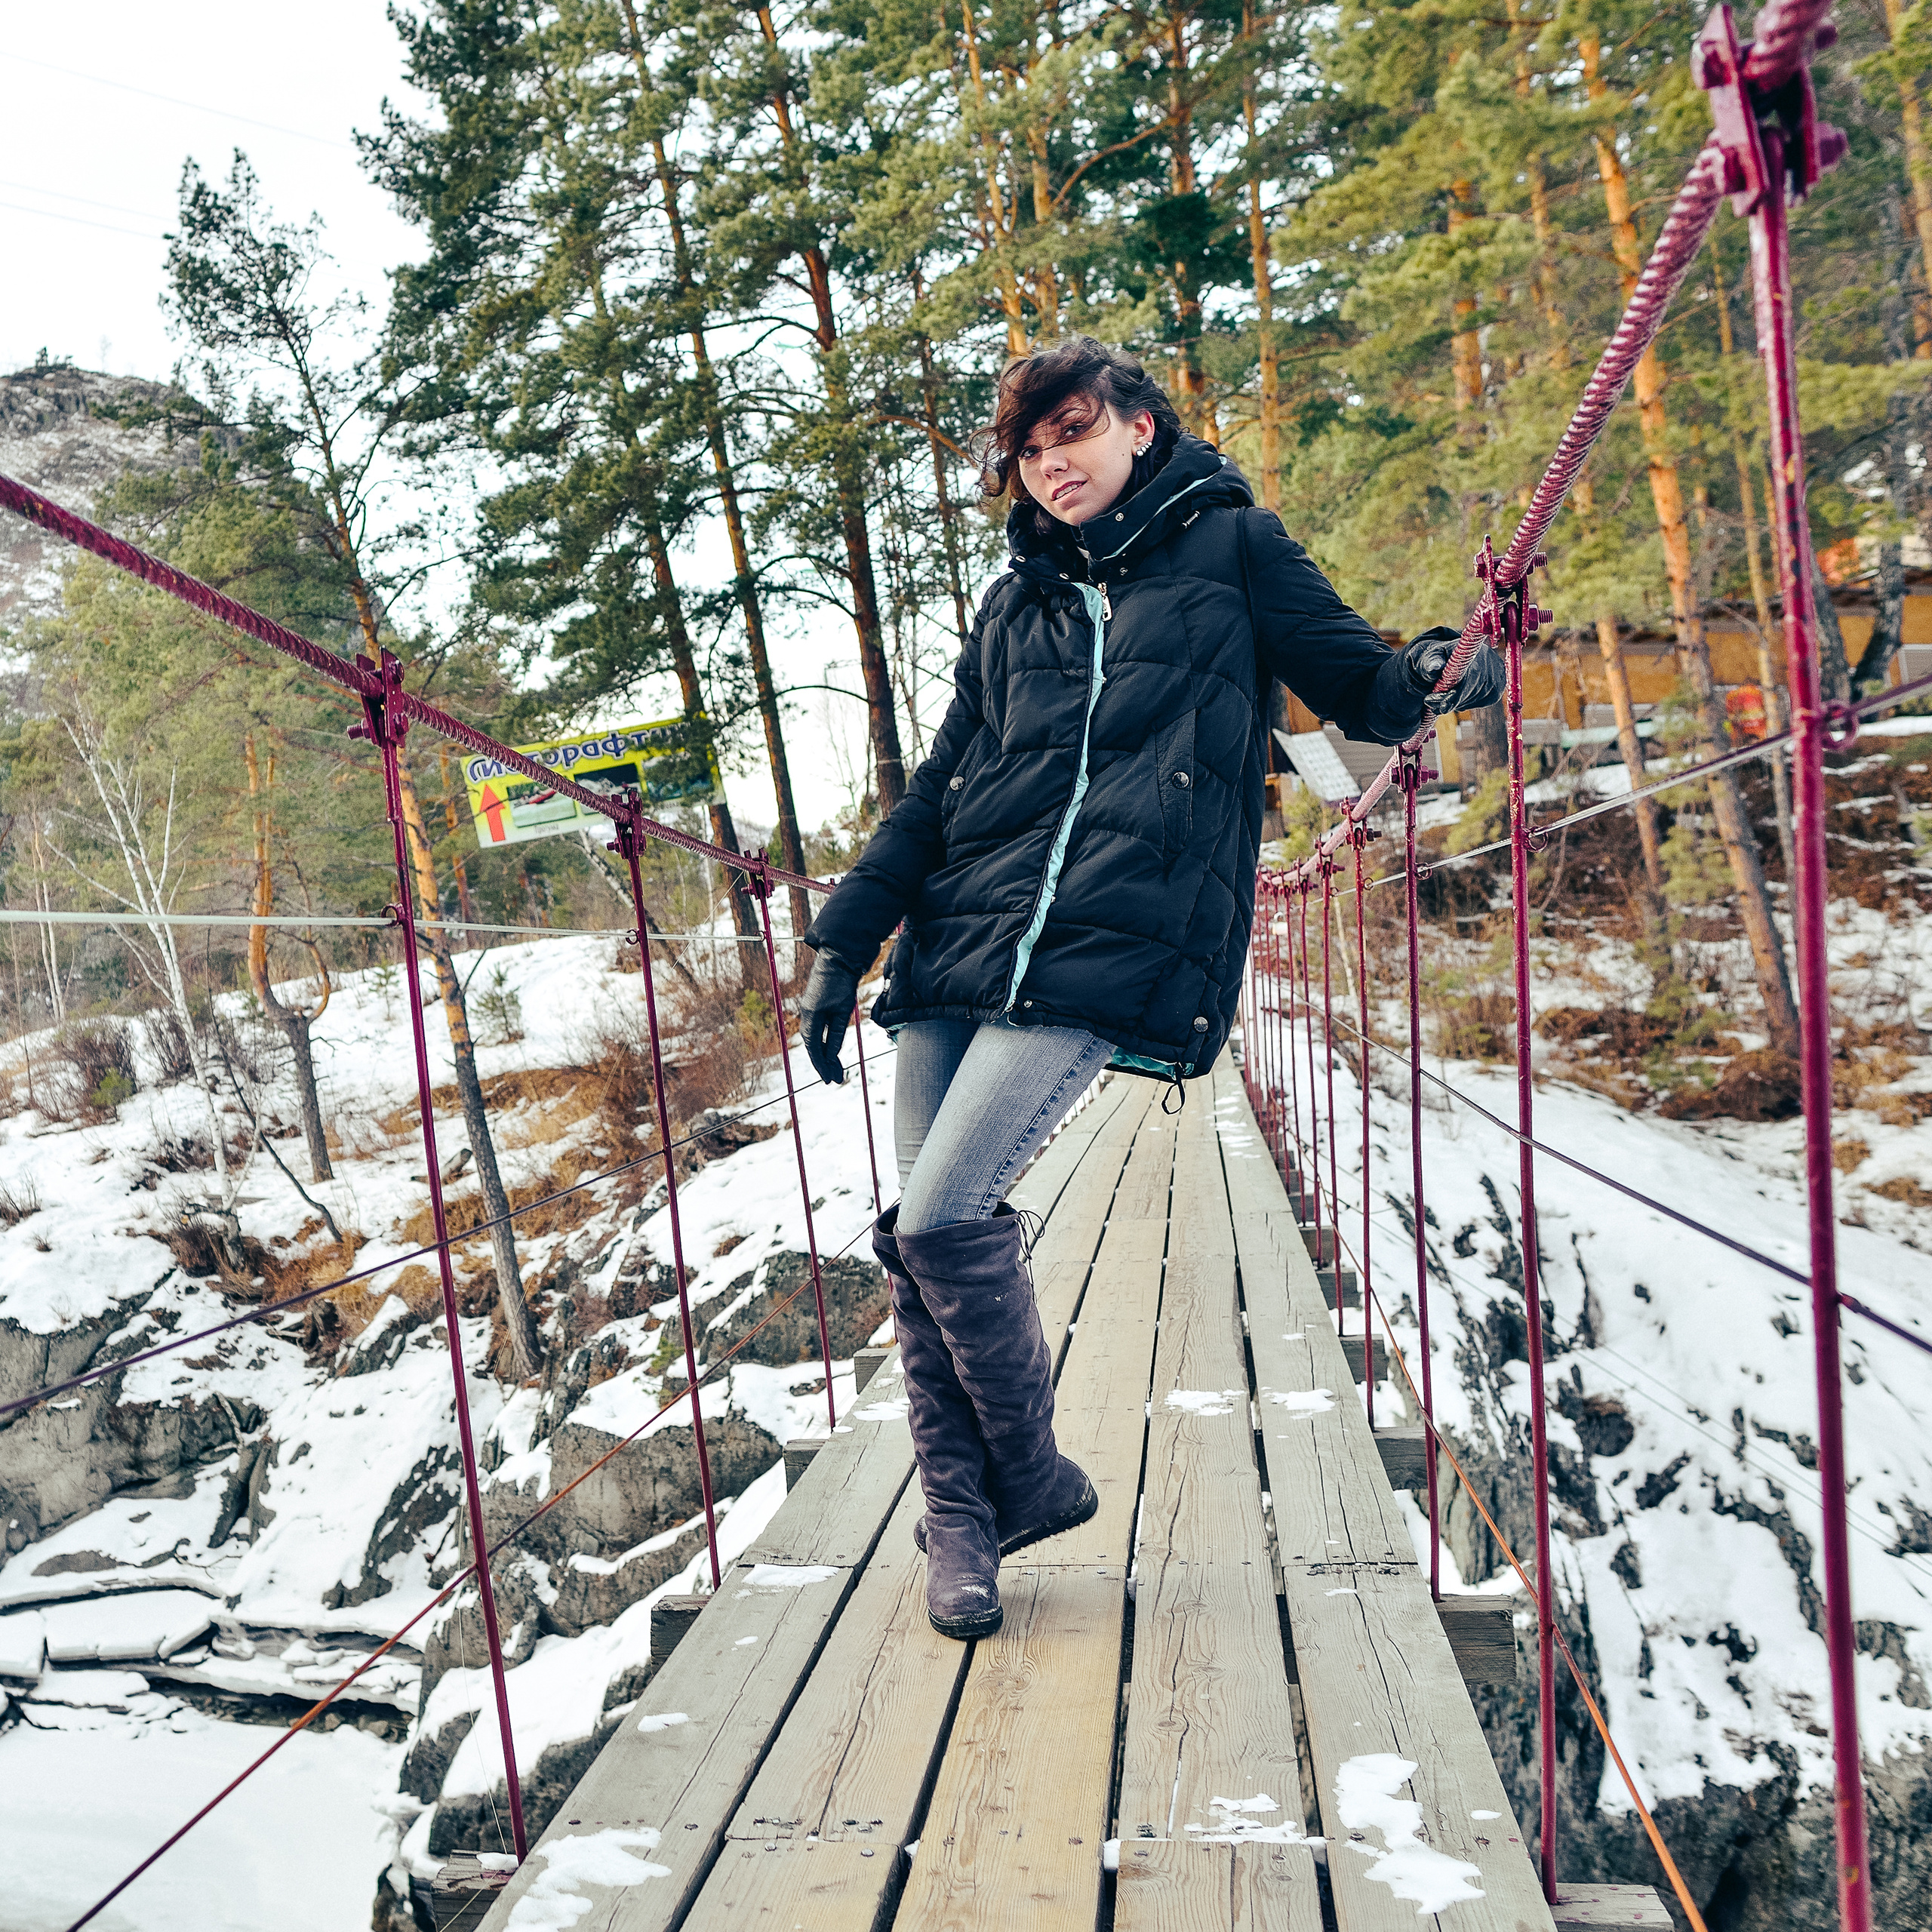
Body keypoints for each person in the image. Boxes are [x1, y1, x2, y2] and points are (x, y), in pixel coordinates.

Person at [795, 337, 1502, 1640]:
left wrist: (1431, 674)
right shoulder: (1016, 605)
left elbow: (1358, 683)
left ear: (1137, 422)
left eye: (1072, 430)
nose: (1052, 462)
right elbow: (941, 793)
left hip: (1112, 940)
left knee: (947, 1218)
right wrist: (848, 939)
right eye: (1030, 447)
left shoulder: (1234, 547)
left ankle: (1030, 1478)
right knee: (917, 1239)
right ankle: (965, 1521)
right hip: (957, 942)